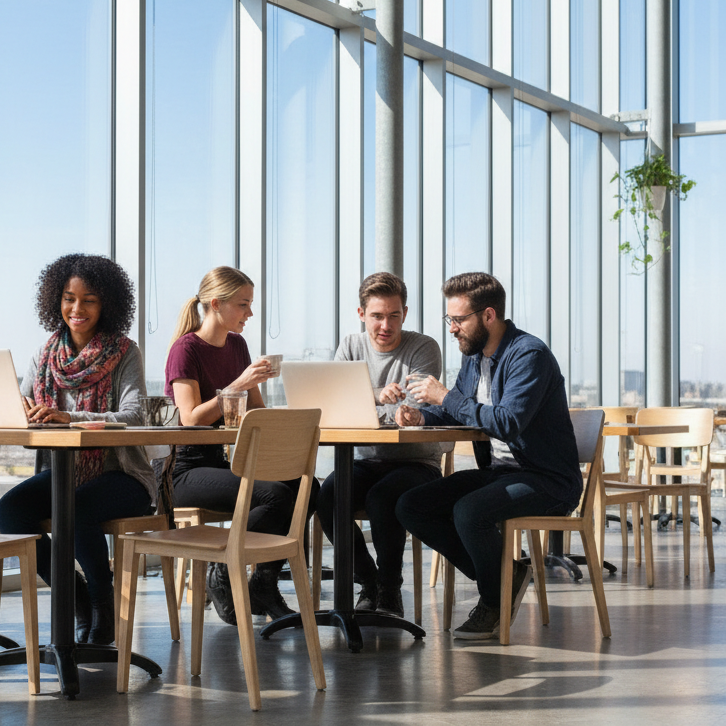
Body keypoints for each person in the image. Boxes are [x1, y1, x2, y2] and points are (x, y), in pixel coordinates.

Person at [395, 272, 583, 640]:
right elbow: (455, 410)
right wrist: (423, 414)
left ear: (488, 316)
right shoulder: (475, 357)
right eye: (449, 319)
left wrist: (445, 396)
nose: (452, 329)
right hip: (501, 473)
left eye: (459, 319)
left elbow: (508, 422)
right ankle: (506, 577)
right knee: (411, 505)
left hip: (547, 479)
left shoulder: (529, 355)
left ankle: (493, 599)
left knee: (469, 511)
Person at [0, 253, 154, 646]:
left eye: (89, 300)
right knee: (10, 511)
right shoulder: (46, 354)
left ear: (108, 304)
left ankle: (103, 607)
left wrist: (71, 418)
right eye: (68, 298)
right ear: (56, 301)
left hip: (124, 477)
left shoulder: (124, 352)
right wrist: (24, 408)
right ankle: (77, 596)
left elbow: (134, 416)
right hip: (65, 472)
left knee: (76, 506)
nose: (76, 308)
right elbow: (22, 402)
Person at [165, 265, 317, 625]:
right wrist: (238, 385)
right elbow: (190, 418)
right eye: (243, 304)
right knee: (276, 497)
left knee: (309, 489)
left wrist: (291, 414)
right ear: (216, 304)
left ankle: (262, 582)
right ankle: (224, 566)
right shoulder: (185, 349)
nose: (250, 313)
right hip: (188, 470)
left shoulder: (237, 345)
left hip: (229, 461)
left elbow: (257, 411)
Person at [315, 271, 446, 619]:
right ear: (362, 315)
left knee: (382, 497)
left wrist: (367, 405)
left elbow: (414, 412)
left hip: (417, 464)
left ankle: (389, 588)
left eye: (394, 315)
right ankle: (367, 582)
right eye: (377, 316)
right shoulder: (350, 347)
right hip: (366, 461)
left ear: (405, 313)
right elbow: (336, 406)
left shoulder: (424, 347)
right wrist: (376, 397)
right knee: (327, 496)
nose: (385, 324)